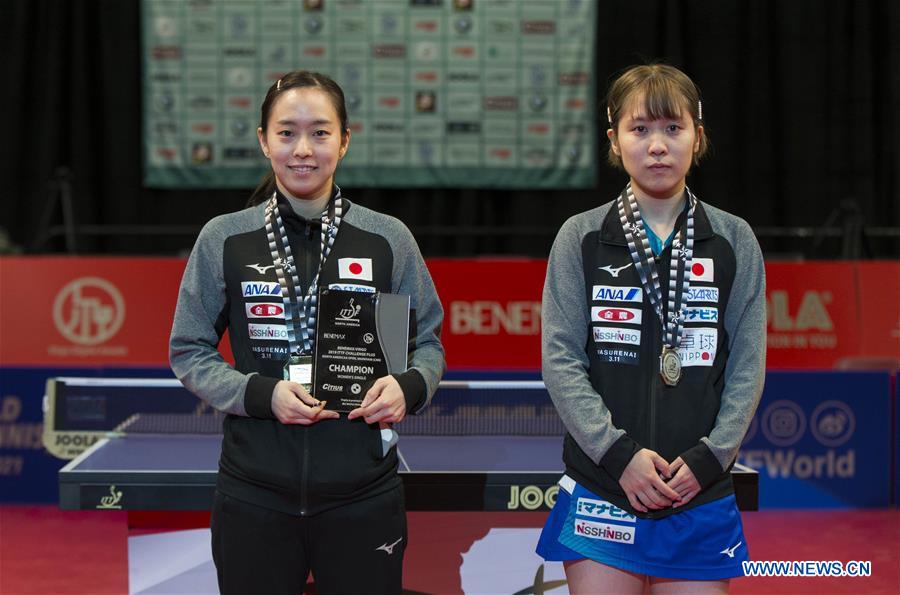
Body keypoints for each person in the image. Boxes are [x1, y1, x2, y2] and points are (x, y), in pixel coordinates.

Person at [169, 70, 445, 595]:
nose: (303, 149)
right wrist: (261, 394)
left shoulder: (387, 239)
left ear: (344, 140)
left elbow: (425, 343)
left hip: (362, 493)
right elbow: (189, 349)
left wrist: (407, 387)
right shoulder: (225, 239)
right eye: (286, 132)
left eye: (320, 132)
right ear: (263, 141)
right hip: (253, 493)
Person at [536, 63, 766, 593]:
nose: (657, 145)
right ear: (614, 140)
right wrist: (619, 456)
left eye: (673, 128)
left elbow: (748, 365)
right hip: (604, 487)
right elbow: (562, 360)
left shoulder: (734, 239)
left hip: (699, 490)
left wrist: (711, 458)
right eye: (640, 129)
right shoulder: (581, 237)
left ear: (697, 137)